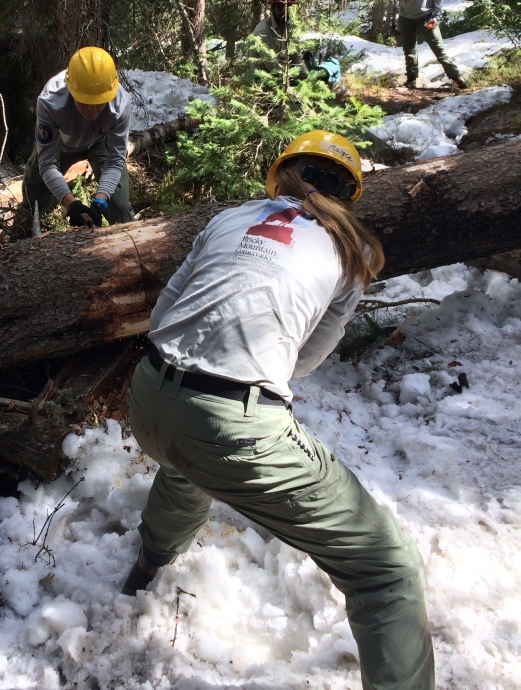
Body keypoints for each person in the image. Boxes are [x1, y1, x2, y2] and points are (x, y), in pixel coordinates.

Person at [122, 130, 434, 690]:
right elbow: (307, 359)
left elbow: (164, 312)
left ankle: (147, 564)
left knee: (185, 464)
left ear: (280, 175)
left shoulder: (228, 218)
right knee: (387, 571)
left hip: (146, 393)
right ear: (349, 195)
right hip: (230, 424)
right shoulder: (352, 249)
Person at [12, 47, 134, 236]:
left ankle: (128, 245)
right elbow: (47, 163)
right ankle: (15, 246)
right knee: (32, 201)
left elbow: (115, 160)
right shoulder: (50, 101)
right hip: (59, 143)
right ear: (71, 90)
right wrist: (72, 205)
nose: (92, 110)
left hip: (100, 142)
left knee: (119, 204)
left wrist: (99, 202)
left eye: (99, 102)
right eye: (85, 101)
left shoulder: (120, 103)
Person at [397, 0, 465, 89]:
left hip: (426, 16)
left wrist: (435, 17)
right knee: (409, 49)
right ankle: (411, 78)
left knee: (438, 48)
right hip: (406, 17)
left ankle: (455, 77)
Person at [252, 0, 306, 77]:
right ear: (273, 8)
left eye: (288, 7)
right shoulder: (263, 31)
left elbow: (297, 58)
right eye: (280, 7)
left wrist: (308, 79)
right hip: (262, 85)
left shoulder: (290, 28)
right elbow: (273, 68)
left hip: (285, 79)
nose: (284, 11)